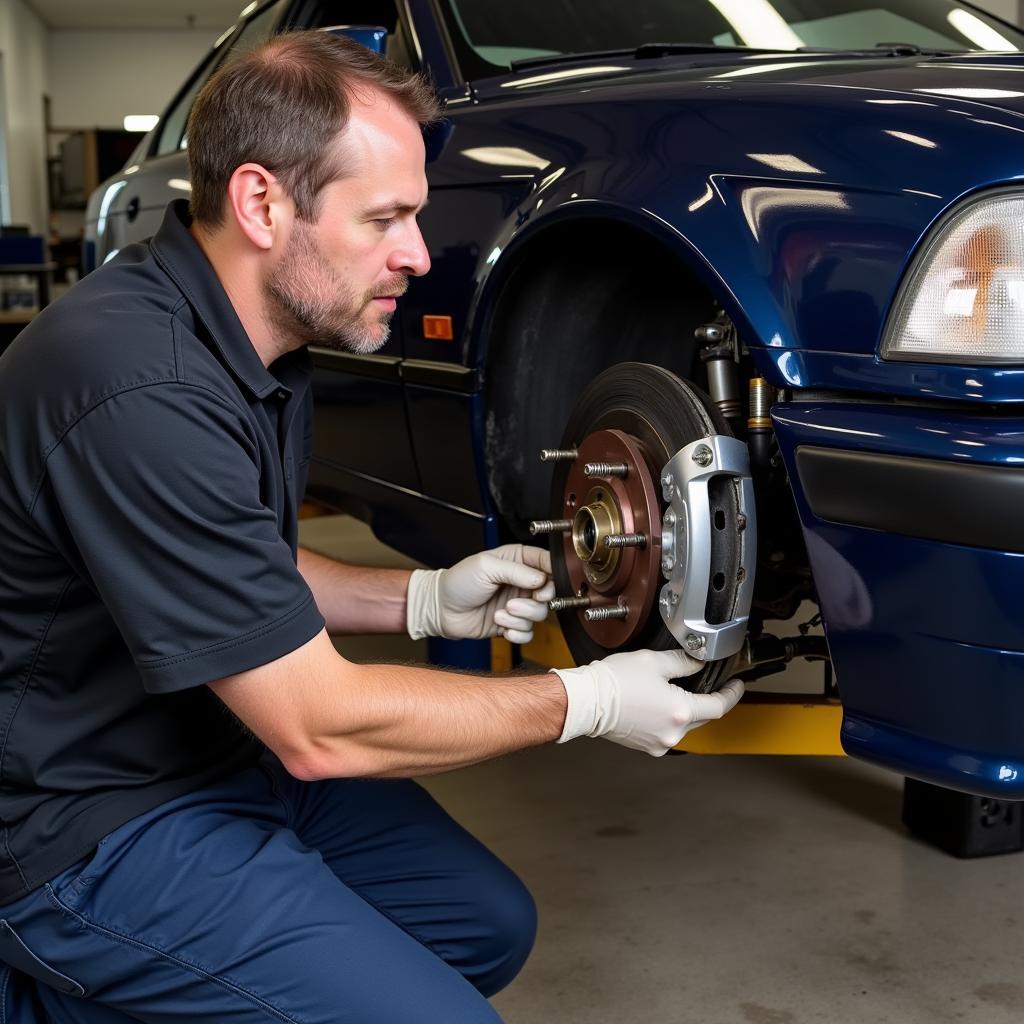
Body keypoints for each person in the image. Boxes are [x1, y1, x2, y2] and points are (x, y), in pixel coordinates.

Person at [0, 31, 744, 1024]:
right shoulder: (137, 382)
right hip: (79, 818)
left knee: (483, 925)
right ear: (263, 203)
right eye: (385, 218)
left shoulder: (260, 335)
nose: (417, 255)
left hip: (206, 746)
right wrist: (585, 699)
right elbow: (318, 726)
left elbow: (243, 567)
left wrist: (426, 595)